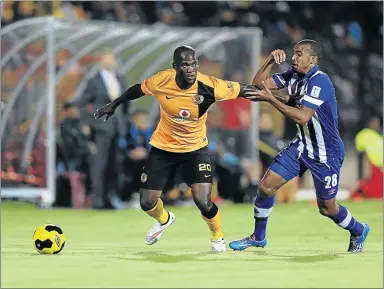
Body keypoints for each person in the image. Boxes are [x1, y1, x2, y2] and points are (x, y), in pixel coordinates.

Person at [94, 45, 259, 252]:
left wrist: (278, 98)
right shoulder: (162, 80)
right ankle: (164, 220)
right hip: (164, 147)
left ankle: (217, 236)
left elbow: (243, 89)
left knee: (203, 200)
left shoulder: (209, 85)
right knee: (146, 202)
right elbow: (138, 89)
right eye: (185, 65)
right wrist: (115, 104)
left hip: (195, 149)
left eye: (193, 64)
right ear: (175, 67)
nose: (190, 69)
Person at [229, 39, 370, 253]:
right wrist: (269, 60)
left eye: (299, 54)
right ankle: (258, 237)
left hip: (325, 154)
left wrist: (271, 100)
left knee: (327, 208)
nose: (294, 58)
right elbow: (259, 83)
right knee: (266, 186)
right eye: (294, 53)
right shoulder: (293, 77)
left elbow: (303, 117)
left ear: (312, 60)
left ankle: (358, 230)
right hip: (301, 147)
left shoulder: (320, 81)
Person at [77, 52, 126, 210]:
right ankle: (97, 200)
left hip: (117, 127)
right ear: (101, 61)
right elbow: (83, 102)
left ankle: (110, 198)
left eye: (113, 59)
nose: (111, 62)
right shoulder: (94, 81)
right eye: (108, 58)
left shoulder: (119, 78)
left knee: (114, 164)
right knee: (100, 164)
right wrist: (90, 122)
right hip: (101, 127)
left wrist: (124, 120)